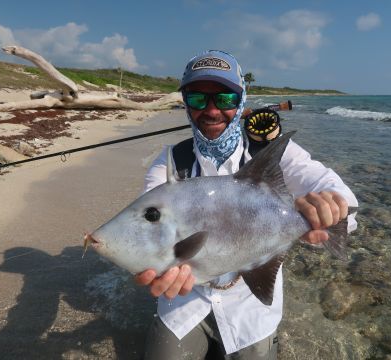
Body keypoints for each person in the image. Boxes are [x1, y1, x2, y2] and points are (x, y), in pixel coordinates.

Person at [136, 50, 358, 359]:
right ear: (185, 103)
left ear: (241, 100)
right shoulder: (172, 161)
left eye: (225, 99)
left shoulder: (275, 154)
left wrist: (327, 207)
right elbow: (151, 221)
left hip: (249, 308)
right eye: (198, 99)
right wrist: (157, 263)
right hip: (185, 300)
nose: (212, 111)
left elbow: (340, 194)